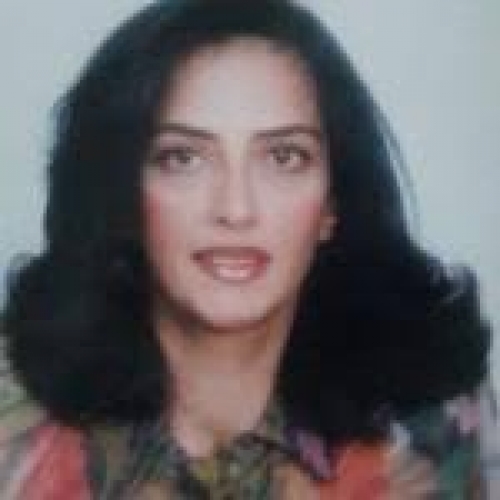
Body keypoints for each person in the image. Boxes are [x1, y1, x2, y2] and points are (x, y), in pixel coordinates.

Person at [0, 0, 492, 498]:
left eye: (284, 157)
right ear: (123, 195)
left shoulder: (431, 420)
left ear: (333, 203)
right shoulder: (13, 418)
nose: (236, 210)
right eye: (182, 158)